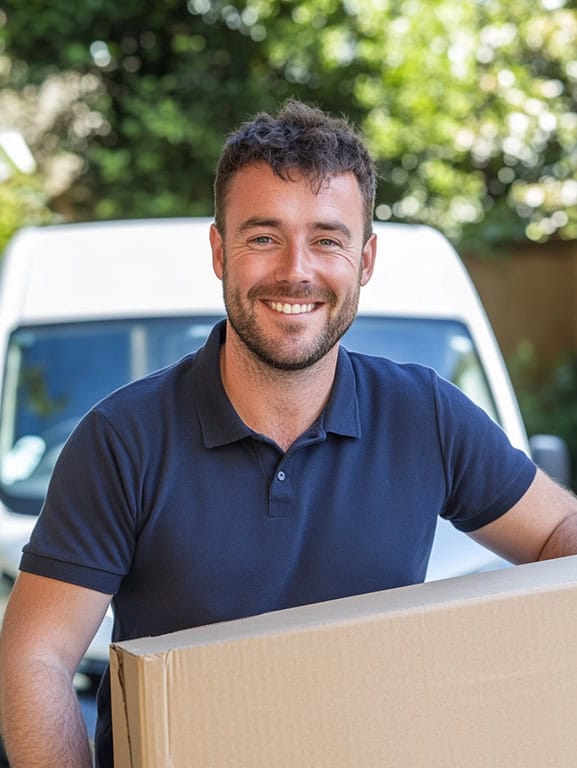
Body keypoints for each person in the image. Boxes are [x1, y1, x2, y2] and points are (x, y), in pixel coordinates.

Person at [1, 99, 577, 768]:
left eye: (326, 239)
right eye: (263, 236)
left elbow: (553, 535)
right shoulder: (122, 439)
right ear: (220, 251)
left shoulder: (424, 414)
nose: (295, 270)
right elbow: (36, 658)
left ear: (364, 259)